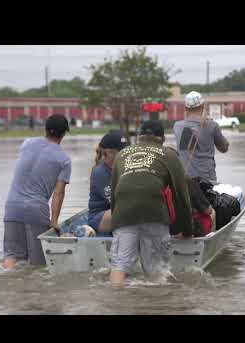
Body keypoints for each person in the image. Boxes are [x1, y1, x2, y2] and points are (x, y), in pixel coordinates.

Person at [109, 119, 193, 284]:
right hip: (154, 212)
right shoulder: (168, 154)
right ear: (162, 139)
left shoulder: (121, 155)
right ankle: (156, 304)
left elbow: (114, 194)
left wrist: (116, 225)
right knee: (157, 270)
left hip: (123, 214)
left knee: (120, 265)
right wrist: (187, 229)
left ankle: (114, 301)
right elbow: (182, 196)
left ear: (139, 137)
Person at [2, 114, 71, 269]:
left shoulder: (27, 143)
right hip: (36, 211)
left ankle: (10, 287)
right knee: (37, 265)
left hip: (12, 207)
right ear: (64, 134)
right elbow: (59, 193)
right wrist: (54, 221)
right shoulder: (64, 160)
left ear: (45, 129)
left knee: (11, 257)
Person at [173, 91, 229, 185]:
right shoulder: (212, 125)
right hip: (207, 181)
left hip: (185, 182)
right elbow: (224, 148)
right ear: (203, 106)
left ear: (186, 108)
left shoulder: (176, 126)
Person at [88, 130, 128, 234]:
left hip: (115, 213)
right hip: (99, 219)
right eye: (122, 150)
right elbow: (115, 202)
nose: (126, 153)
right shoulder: (100, 172)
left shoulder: (122, 167)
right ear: (108, 152)